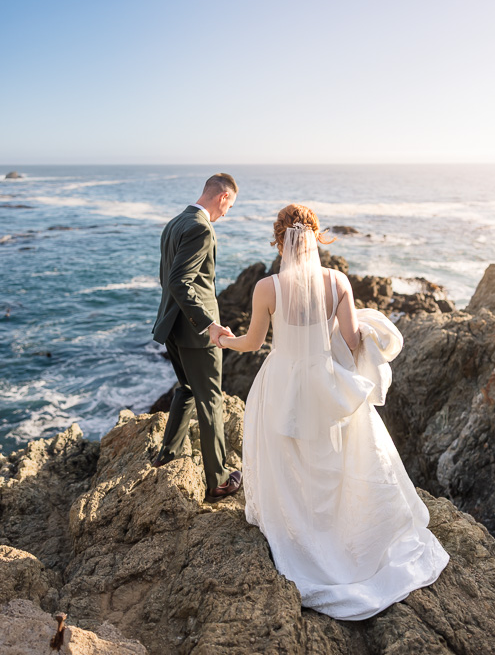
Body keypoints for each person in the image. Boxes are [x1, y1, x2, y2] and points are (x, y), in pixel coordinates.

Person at [219, 203, 450, 620]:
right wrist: (368, 325)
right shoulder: (337, 280)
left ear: (278, 240)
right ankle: (340, 535)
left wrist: (224, 339)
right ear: (316, 235)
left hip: (283, 386)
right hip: (327, 382)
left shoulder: (266, 288)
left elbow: (252, 344)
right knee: (340, 459)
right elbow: (351, 337)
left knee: (291, 459)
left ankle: (301, 534)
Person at [152, 173, 242, 504]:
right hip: (195, 332)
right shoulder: (202, 228)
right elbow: (179, 281)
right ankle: (218, 481)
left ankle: (169, 453)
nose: (227, 213)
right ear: (222, 197)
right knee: (211, 399)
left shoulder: (175, 222)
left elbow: (166, 278)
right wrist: (208, 325)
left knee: (188, 389)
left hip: (172, 327)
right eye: (229, 206)